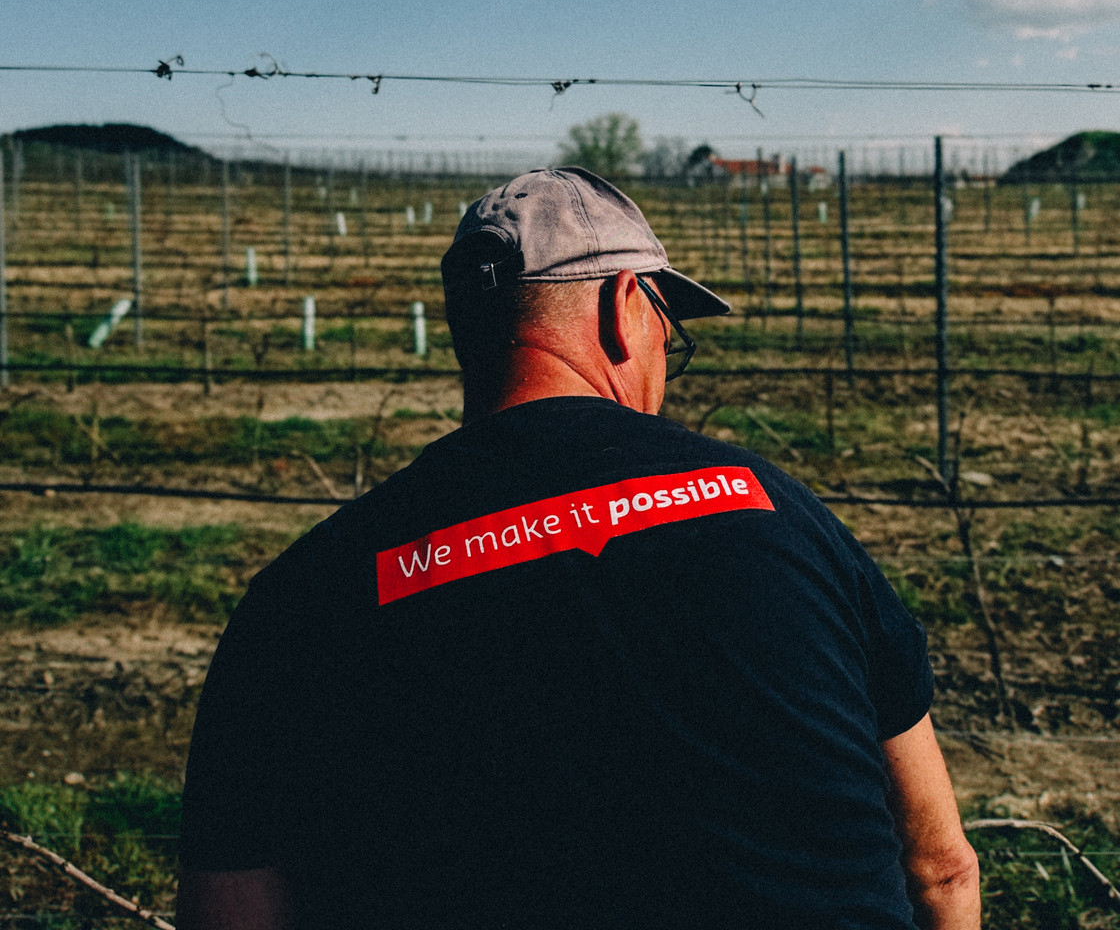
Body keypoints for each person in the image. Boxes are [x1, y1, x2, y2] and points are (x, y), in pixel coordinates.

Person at [177, 166, 979, 930]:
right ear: (623, 307)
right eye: (669, 327)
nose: (667, 356)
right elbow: (942, 870)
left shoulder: (301, 598)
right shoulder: (787, 517)